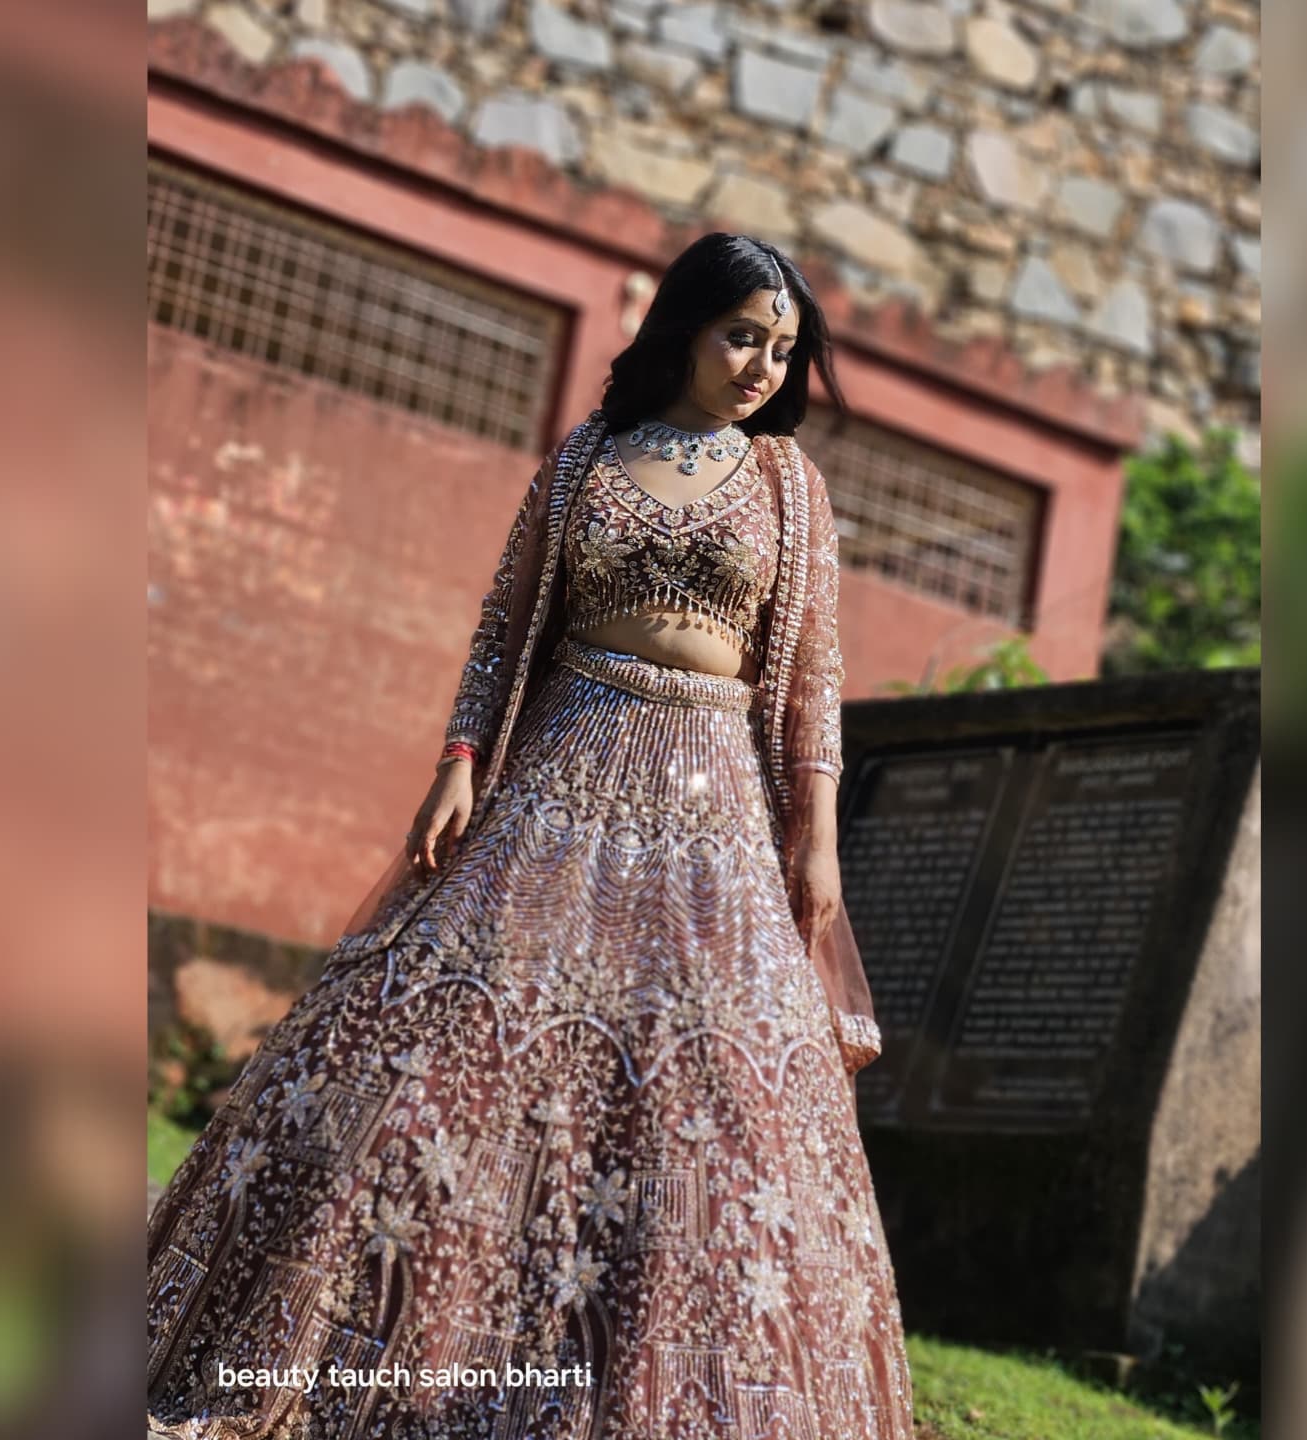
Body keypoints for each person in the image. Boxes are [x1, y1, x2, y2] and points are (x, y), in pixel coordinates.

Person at [148, 233, 915, 1439]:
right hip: (560, 773)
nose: (764, 365)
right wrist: (459, 766)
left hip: (713, 807)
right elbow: (502, 636)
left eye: (782, 347)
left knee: (705, 1085)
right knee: (452, 1035)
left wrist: (814, 839)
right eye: (742, 337)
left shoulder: (787, 488)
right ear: (684, 330)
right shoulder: (585, 462)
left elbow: (812, 682)